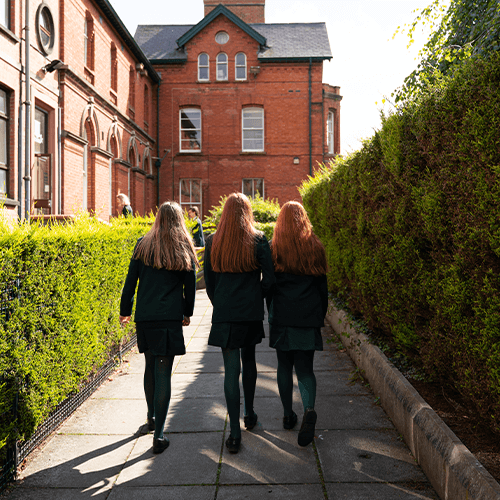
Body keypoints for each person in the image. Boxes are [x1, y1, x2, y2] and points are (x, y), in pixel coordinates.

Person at [119, 201, 198, 454]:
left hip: (145, 317)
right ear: (179, 219)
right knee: (163, 371)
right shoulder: (183, 246)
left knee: (149, 366)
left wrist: (125, 311)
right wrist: (187, 312)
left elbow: (130, 282)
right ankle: (160, 434)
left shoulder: (143, 244)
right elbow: (190, 286)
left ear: (158, 218)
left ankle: (151, 418)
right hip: (169, 318)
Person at [204, 193, 274, 454]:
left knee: (230, 371)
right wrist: (257, 297)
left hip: (225, 313)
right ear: (248, 212)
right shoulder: (258, 240)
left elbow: (209, 283)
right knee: (250, 361)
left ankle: (234, 433)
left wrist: (219, 302)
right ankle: (250, 413)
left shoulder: (213, 242)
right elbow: (270, 279)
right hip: (250, 312)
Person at [266, 201, 328, 447]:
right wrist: (319, 315)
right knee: (305, 368)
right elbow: (323, 289)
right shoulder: (316, 246)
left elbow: (269, 286)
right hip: (308, 315)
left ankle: (288, 415)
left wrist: (270, 309)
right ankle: (309, 409)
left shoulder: (274, 249)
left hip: (283, 315)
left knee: (283, 365)